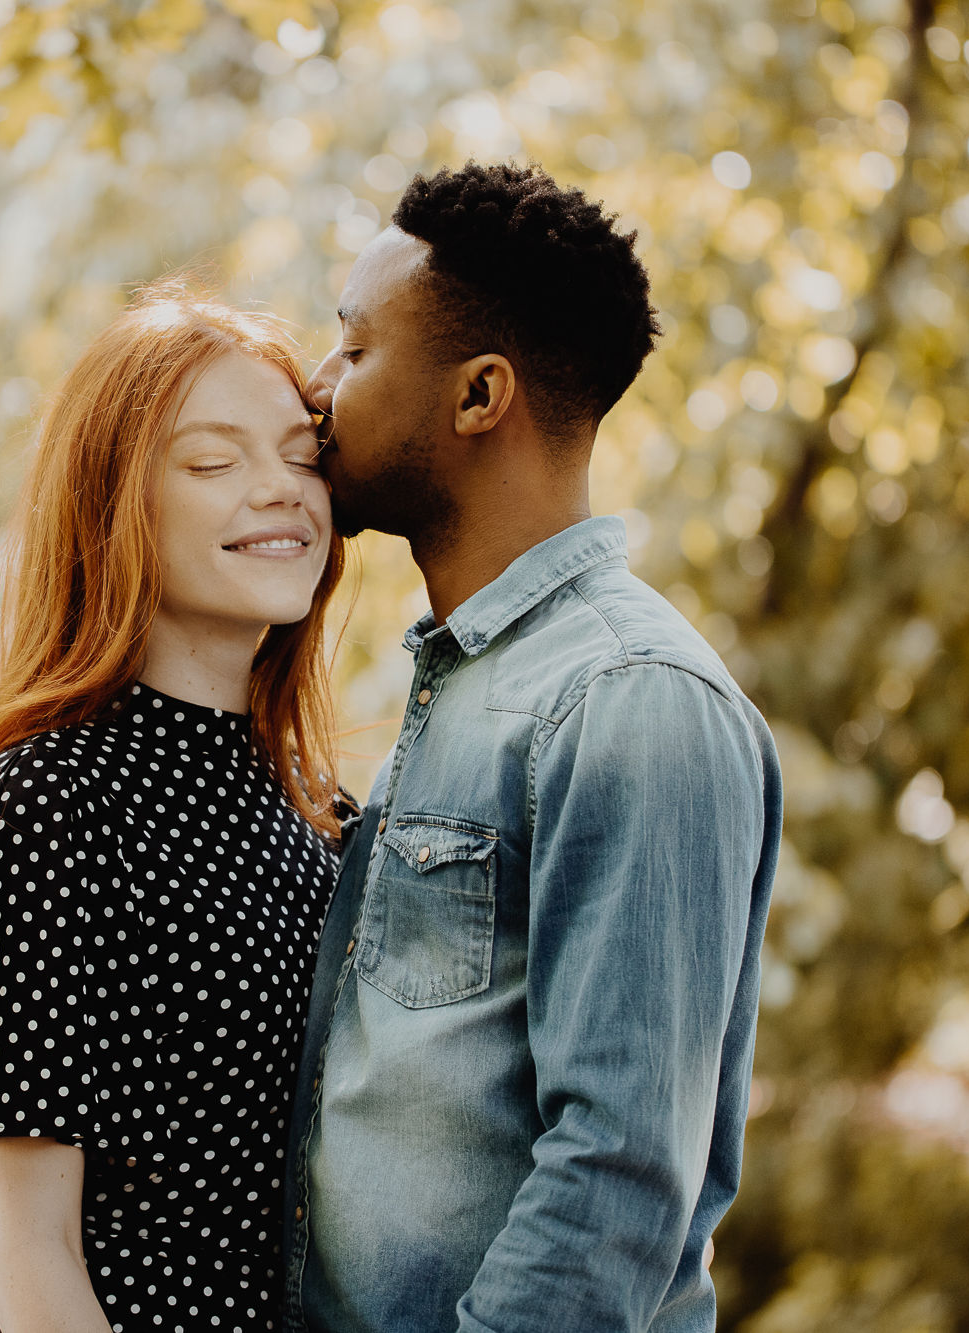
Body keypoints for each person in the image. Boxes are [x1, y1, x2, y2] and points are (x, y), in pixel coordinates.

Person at [283, 163, 783, 1332]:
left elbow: (614, 1176)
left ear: (477, 396)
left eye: (353, 350)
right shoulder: (462, 682)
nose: (315, 387)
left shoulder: (630, 700)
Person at [0, 280, 351, 1333]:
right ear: (111, 507)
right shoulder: (48, 807)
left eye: (298, 453)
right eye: (212, 460)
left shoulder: (322, 816)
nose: (278, 488)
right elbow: (27, 1248)